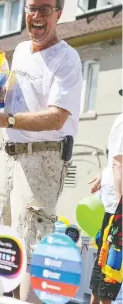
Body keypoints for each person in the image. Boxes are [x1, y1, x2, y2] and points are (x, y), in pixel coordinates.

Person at [0, 0, 83, 302]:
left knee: (30, 246)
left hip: (44, 157)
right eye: (32, 9)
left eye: (45, 9)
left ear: (58, 13)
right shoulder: (19, 51)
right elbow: (15, 99)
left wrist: (4, 119)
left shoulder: (67, 58)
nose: (37, 16)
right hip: (7, 154)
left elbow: (57, 116)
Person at [89, 90, 122, 304]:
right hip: (118, 204)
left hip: (116, 202)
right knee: (111, 266)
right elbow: (120, 162)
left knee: (106, 263)